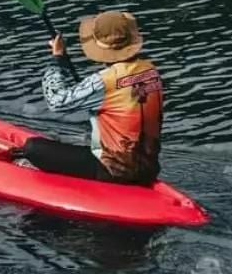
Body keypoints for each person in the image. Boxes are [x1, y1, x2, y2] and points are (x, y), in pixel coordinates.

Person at [16, 11, 163, 186]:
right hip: (148, 169)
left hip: (112, 171)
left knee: (32, 147)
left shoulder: (104, 80)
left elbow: (56, 100)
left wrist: (57, 60)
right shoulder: (151, 71)